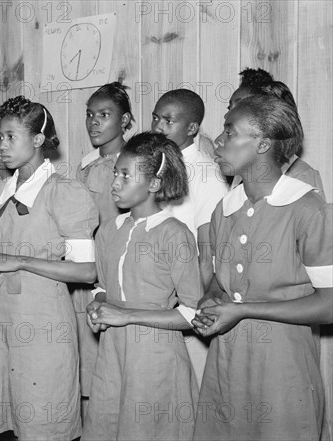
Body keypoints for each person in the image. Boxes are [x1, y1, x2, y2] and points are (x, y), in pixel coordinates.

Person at [192, 95, 333, 440]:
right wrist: (211, 300)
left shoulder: (307, 209)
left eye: (230, 132)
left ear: (264, 144)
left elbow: (329, 305)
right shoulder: (224, 209)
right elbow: (220, 285)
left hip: (282, 371)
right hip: (227, 365)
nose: (219, 142)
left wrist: (241, 310)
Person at [0, 96, 98, 440]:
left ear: (38, 140)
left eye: (11, 136)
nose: (1, 145)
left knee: (44, 423)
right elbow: (3, 254)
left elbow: (86, 272)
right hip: (3, 319)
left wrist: (17, 262)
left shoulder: (64, 193)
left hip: (44, 325)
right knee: (9, 419)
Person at [83, 132, 201, 440]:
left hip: (155, 360)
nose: (115, 183)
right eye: (115, 174)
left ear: (153, 184)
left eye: (126, 175)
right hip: (112, 356)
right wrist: (97, 305)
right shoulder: (108, 230)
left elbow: (192, 313)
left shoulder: (174, 235)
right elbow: (104, 287)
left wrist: (128, 316)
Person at [151, 89, 229, 384]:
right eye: (156, 118)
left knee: (192, 386)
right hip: (158, 295)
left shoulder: (205, 175)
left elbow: (208, 254)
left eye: (168, 121)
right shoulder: (157, 165)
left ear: (192, 128)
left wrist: (194, 305)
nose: (158, 126)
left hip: (187, 301)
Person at [74, 82, 134, 408]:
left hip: (120, 275)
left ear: (124, 120)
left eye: (104, 114)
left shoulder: (133, 163)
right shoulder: (84, 166)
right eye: (90, 114)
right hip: (87, 274)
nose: (94, 122)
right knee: (91, 368)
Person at [228, 73, 326, 199]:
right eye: (229, 108)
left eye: (241, 108)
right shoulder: (242, 170)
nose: (230, 115)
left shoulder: (302, 176)